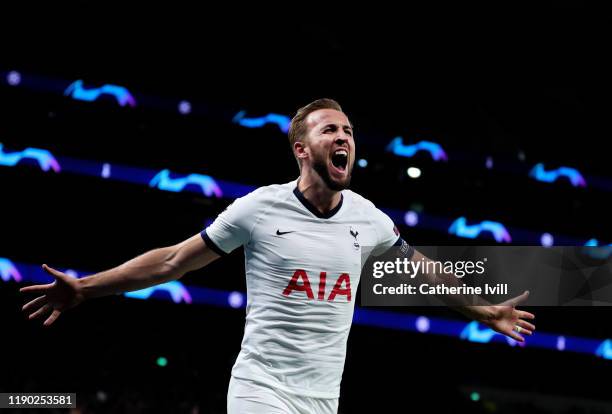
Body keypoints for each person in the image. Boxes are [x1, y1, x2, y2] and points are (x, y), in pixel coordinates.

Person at [20, 99, 535, 414]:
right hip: (260, 390)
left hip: (322, 400)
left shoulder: (369, 218)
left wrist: (484, 311)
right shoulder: (259, 208)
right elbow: (174, 261)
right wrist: (87, 287)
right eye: (330, 129)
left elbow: (421, 272)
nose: (344, 138)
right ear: (302, 149)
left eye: (349, 132)